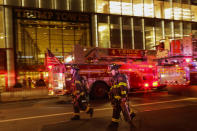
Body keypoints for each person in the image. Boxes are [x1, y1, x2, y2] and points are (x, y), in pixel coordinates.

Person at [108, 63, 136, 128]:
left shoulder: (120, 77)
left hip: (121, 99)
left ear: (116, 70)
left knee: (124, 112)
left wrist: (123, 97)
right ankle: (114, 124)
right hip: (116, 99)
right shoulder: (113, 78)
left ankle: (131, 123)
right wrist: (111, 96)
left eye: (112, 71)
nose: (111, 72)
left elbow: (123, 87)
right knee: (116, 111)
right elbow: (113, 89)